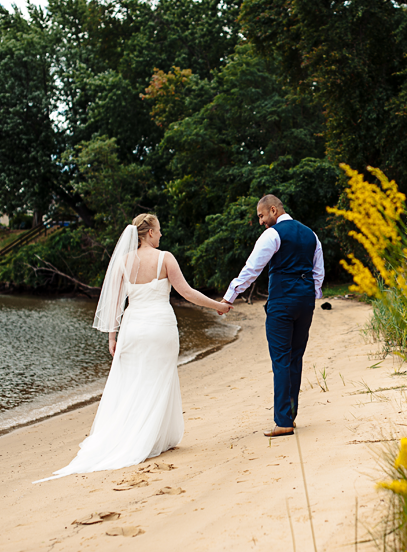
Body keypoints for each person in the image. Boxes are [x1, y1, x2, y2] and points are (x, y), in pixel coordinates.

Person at [35, 214, 232, 482]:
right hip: (160, 328)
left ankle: (136, 436)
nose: (161, 235)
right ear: (150, 232)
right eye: (159, 230)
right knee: (158, 380)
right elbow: (186, 292)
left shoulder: (123, 262)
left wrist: (112, 338)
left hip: (133, 329)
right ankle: (151, 439)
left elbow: (114, 304)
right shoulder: (165, 258)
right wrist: (218, 305)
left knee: (133, 383)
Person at [222, 195, 324, 437]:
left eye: (261, 216)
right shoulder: (312, 234)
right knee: (295, 357)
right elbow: (317, 271)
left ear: (273, 210)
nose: (260, 222)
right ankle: (291, 416)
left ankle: (283, 421)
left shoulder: (273, 234)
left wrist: (229, 296)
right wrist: (311, 296)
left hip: (282, 302)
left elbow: (252, 268)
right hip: (305, 301)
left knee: (281, 359)